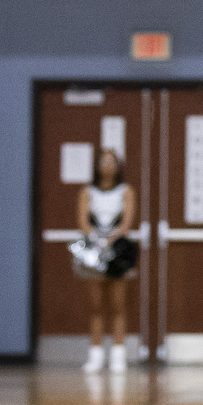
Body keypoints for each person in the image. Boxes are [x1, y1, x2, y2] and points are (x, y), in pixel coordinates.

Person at [76, 148, 137, 374]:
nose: (108, 166)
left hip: (117, 252)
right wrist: (97, 240)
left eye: (112, 161)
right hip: (94, 250)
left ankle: (119, 354)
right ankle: (96, 355)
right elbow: (83, 221)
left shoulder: (125, 191)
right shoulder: (87, 192)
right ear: (97, 165)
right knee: (96, 306)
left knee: (118, 305)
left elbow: (127, 221)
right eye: (104, 161)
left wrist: (111, 240)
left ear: (118, 166)